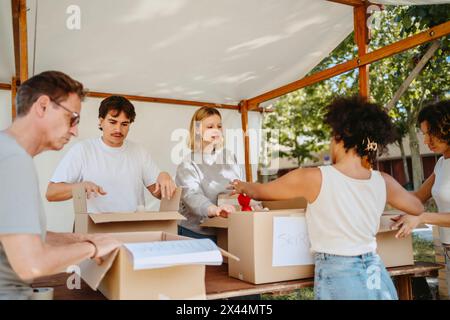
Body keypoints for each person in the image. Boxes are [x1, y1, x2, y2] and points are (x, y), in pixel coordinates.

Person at [230, 96, 424, 300]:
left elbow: (262, 192)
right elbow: (417, 208)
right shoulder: (383, 181)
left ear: (341, 136)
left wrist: (243, 186)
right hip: (376, 270)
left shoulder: (313, 177)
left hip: (339, 272)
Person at [0, 71, 121, 299]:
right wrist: (92, 249)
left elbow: (20, 236)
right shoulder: (13, 161)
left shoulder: (7, 152)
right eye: (72, 118)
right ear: (43, 106)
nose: (75, 131)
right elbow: (31, 265)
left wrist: (81, 238)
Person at [46, 95, 177, 213]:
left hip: (133, 229)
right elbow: (52, 193)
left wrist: (164, 176)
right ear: (101, 121)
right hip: (93, 228)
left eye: (124, 124)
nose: (118, 129)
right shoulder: (83, 150)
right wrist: (80, 186)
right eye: (112, 122)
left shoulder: (139, 152)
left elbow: (160, 194)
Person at [390, 100, 449, 295]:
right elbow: (416, 198)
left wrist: (421, 217)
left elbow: (420, 212)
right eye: (424, 134)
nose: (426, 140)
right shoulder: (441, 164)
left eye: (429, 133)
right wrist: (378, 193)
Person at [175, 107, 243, 241]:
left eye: (219, 126)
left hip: (227, 230)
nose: (216, 130)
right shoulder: (188, 164)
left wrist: (253, 205)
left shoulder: (229, 158)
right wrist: (215, 210)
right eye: (210, 126)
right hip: (196, 234)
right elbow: (192, 197)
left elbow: (240, 188)